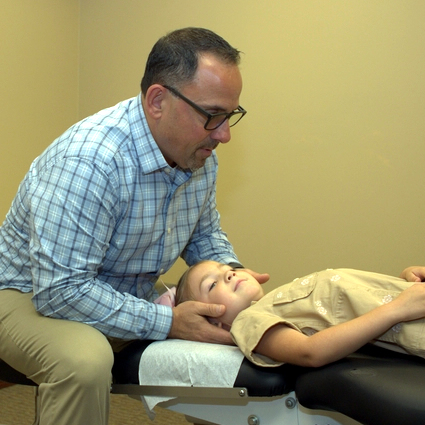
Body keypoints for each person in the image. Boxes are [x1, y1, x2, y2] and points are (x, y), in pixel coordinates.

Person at [0, 27, 268, 425]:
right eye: (213, 116)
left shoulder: (197, 151)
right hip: (27, 292)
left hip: (118, 293)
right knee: (85, 361)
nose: (224, 134)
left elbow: (204, 235)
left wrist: (234, 279)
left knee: (236, 334)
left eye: (230, 116)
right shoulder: (90, 160)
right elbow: (60, 291)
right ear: (158, 100)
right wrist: (168, 322)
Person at [175, 261, 425, 368]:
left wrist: (402, 281)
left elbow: (356, 300)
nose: (229, 274)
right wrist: (398, 308)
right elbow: (310, 352)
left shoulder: (277, 301)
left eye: (227, 269)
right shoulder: (248, 322)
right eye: (212, 284)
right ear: (216, 323)